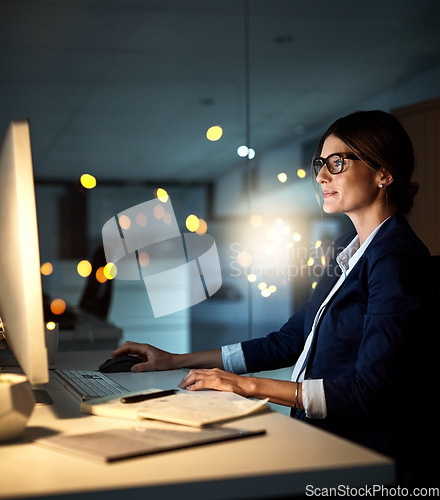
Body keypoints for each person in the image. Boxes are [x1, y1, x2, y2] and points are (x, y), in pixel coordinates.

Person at [113, 110, 437, 484]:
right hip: (318, 439)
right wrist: (174, 360)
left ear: (384, 172)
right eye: (320, 163)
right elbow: (287, 342)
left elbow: (370, 393)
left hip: (354, 457)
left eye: (338, 162)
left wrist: (246, 386)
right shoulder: (351, 253)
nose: (321, 176)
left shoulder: (395, 259)